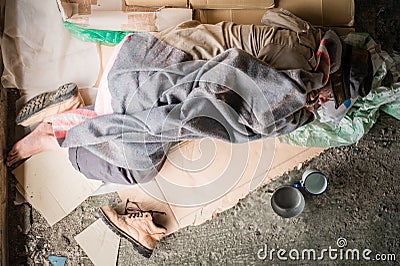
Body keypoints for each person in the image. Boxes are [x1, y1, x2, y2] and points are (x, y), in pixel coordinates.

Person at [7, 9, 368, 257]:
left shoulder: (308, 40)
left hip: (142, 50)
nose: (321, 103)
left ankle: (77, 114)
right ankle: (55, 133)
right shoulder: (296, 79)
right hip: (140, 80)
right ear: (328, 80)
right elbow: (248, 113)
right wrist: (299, 110)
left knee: (163, 132)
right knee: (133, 167)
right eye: (327, 97)